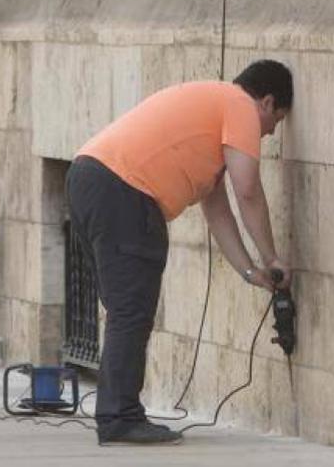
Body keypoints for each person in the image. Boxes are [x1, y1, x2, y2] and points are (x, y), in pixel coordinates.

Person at [67, 59, 294, 446]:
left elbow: (217, 209)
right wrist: (273, 257)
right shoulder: (239, 105)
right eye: (274, 124)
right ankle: (119, 417)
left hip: (89, 178)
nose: (268, 135)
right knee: (131, 311)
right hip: (126, 193)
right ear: (268, 102)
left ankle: (117, 411)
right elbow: (249, 191)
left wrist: (249, 270)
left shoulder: (211, 109)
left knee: (124, 308)